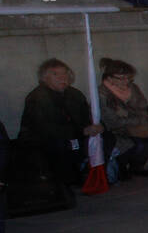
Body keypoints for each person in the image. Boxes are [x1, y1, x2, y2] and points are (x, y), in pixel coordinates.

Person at [17, 58, 100, 186]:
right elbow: (44, 128)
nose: (62, 78)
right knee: (60, 145)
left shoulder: (75, 94)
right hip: (43, 140)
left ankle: (95, 175)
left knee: (104, 137)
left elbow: (86, 117)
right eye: (55, 74)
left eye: (65, 73)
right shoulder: (37, 98)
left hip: (74, 135)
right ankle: (64, 181)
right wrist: (81, 131)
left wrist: (96, 127)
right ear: (45, 78)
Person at [98, 58, 148, 179]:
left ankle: (137, 166)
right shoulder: (102, 94)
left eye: (128, 78)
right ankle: (122, 168)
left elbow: (145, 108)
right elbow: (112, 120)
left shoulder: (133, 89)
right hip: (116, 131)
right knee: (135, 144)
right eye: (122, 78)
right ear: (110, 78)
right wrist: (137, 118)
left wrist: (127, 114)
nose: (126, 82)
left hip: (138, 126)